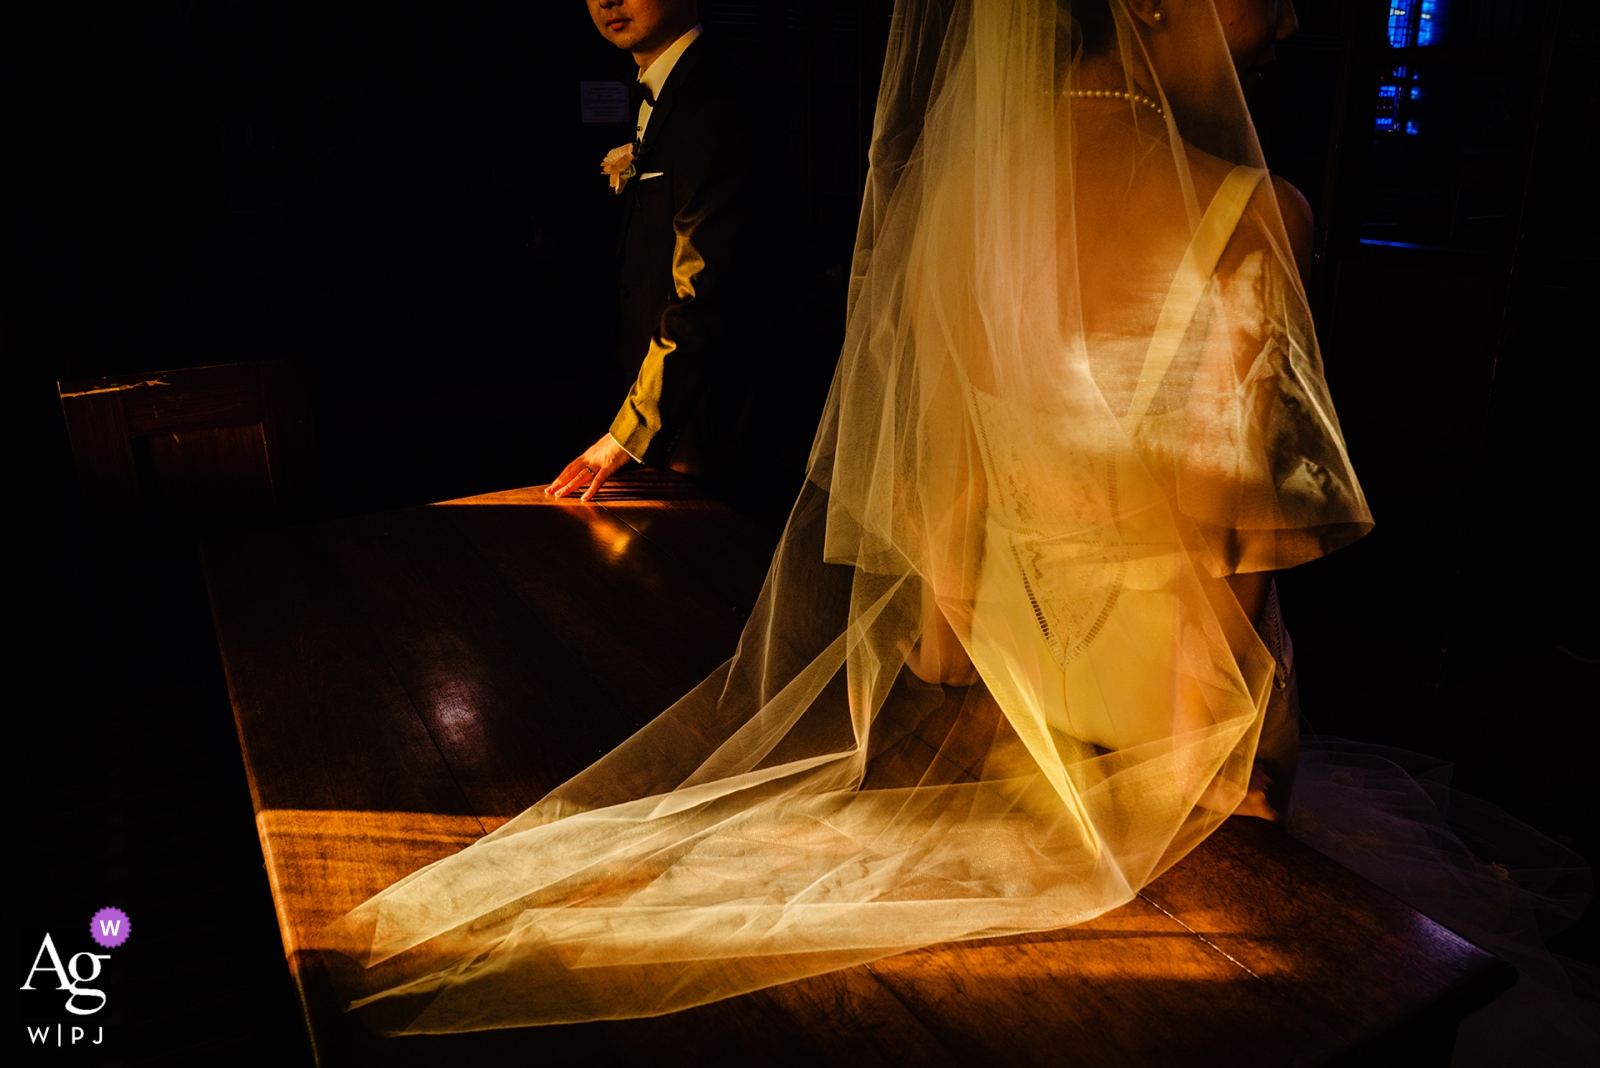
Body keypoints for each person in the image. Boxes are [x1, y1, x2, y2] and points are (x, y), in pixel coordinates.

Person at [328, 0, 1373, 1032]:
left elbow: (951, 494)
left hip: (1010, 675)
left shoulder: (958, 196)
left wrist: (943, 663)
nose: (1286, 21)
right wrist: (1222, 757)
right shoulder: (1254, 211)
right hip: (1172, 701)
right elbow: (1221, 523)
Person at [547, 0, 766, 506]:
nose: (606, 2)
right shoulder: (661, 89)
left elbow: (705, 290)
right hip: (658, 410)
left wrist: (631, 432)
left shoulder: (714, 100)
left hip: (713, 423)